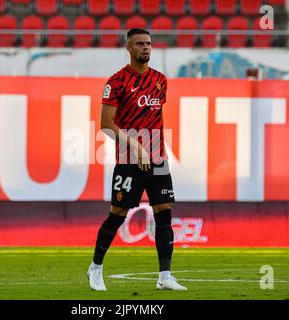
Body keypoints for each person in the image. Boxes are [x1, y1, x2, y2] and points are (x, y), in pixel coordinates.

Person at [87, 28, 187, 291]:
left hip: (158, 159)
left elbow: (154, 119)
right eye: (140, 44)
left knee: (164, 215)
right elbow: (106, 125)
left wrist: (152, 149)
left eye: (149, 43)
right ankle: (95, 268)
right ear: (129, 48)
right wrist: (135, 145)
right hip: (130, 160)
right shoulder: (117, 82)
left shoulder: (160, 81)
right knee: (118, 215)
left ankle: (165, 276)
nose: (146, 48)